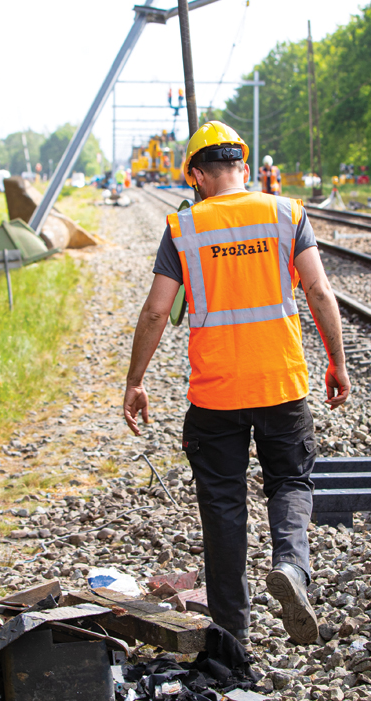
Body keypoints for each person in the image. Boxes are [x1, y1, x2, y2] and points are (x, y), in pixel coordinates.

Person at [122, 121, 350, 645]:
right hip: (282, 385)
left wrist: (135, 381)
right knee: (290, 483)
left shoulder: (183, 228)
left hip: (216, 394)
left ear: (198, 175)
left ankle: (231, 643)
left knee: (223, 506)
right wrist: (337, 362)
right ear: (244, 168)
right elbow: (318, 290)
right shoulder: (286, 212)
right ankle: (291, 565)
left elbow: (158, 311)